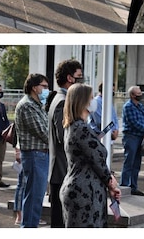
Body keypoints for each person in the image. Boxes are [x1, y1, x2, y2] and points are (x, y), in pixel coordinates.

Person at [60, 84, 122, 227]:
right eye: (91, 97)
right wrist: (110, 182)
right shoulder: (81, 128)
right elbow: (97, 160)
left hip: (81, 189)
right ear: (82, 101)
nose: (94, 101)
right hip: (84, 193)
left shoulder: (73, 126)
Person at [46, 59, 84, 228]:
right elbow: (65, 139)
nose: (81, 81)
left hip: (60, 169)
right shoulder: (63, 101)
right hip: (61, 169)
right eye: (79, 77)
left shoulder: (59, 97)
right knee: (60, 221)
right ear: (70, 78)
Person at [15, 73, 50, 228]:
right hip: (35, 155)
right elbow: (43, 132)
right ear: (35, 88)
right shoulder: (27, 105)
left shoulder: (37, 105)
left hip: (40, 155)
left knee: (36, 197)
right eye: (44, 86)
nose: (47, 90)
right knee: (34, 197)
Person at [121, 85, 144, 196]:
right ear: (132, 95)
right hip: (131, 137)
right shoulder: (128, 106)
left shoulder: (140, 106)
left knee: (136, 163)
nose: (140, 95)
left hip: (139, 137)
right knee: (129, 162)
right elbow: (134, 122)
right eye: (138, 93)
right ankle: (124, 186)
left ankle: (133, 187)